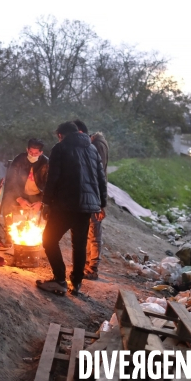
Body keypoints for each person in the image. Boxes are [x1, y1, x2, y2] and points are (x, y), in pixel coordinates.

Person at [37, 122, 107, 295]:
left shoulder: (60, 148)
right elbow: (101, 179)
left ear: (61, 135)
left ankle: (60, 280)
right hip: (87, 207)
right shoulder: (92, 149)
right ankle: (75, 283)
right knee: (79, 245)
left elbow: (53, 178)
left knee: (49, 239)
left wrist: (46, 203)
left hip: (65, 204)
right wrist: (101, 204)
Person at [73, 119, 109, 280]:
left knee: (94, 233)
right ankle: (87, 264)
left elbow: (98, 176)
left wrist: (101, 204)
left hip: (93, 197)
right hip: (90, 196)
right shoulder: (94, 145)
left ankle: (92, 267)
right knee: (88, 232)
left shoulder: (96, 147)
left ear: (80, 133)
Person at [2, 138, 49, 246]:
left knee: (49, 208)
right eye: (30, 152)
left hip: (38, 195)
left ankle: (44, 241)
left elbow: (49, 185)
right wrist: (19, 198)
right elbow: (11, 182)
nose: (32, 155)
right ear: (27, 149)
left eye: (36, 153)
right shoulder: (19, 160)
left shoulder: (46, 163)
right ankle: (10, 237)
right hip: (20, 192)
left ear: (41, 152)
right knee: (7, 203)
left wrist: (41, 202)